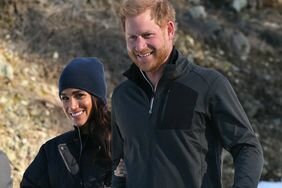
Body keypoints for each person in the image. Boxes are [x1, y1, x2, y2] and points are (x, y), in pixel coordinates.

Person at [111, 0, 264, 188]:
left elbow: (247, 147)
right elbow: (120, 164)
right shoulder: (122, 96)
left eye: (147, 35)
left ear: (169, 30)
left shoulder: (207, 85)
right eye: (132, 37)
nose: (140, 46)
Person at [21, 57, 112, 188]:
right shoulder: (52, 151)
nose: (72, 106)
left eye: (79, 95)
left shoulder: (125, 143)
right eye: (65, 98)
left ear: (96, 97)